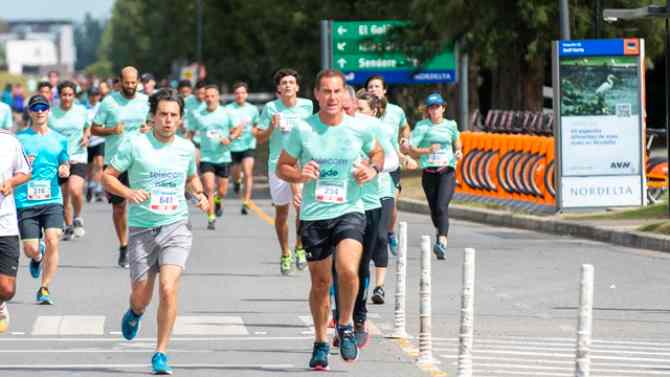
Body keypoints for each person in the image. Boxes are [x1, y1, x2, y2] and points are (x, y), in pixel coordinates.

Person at [277, 69, 384, 369]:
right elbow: (282, 167)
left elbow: (377, 153)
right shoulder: (303, 129)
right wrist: (299, 174)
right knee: (321, 282)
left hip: (349, 209)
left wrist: (372, 170)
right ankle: (320, 342)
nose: (332, 97)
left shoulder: (358, 128)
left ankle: (346, 324)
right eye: (326, 91)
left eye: (337, 92)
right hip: (314, 215)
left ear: (343, 95)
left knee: (348, 268)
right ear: (316, 95)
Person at [102, 88, 208, 375]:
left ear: (181, 119)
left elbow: (191, 179)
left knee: (168, 288)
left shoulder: (186, 148)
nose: (168, 120)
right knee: (141, 295)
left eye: (174, 115)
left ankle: (161, 352)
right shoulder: (135, 145)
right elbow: (107, 176)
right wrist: (128, 191)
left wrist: (199, 194)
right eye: (163, 114)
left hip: (176, 226)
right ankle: (135, 312)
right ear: (153, 116)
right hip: (141, 229)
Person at [331, 87, 398, 348]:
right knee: (339, 266)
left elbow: (391, 159)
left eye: (352, 108)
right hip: (337, 205)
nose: (348, 112)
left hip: (369, 202)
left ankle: (359, 317)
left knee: (360, 266)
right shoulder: (326, 127)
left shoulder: (371, 126)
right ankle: (342, 320)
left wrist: (372, 168)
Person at [91, 66, 150, 268]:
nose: (131, 86)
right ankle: (124, 245)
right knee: (119, 207)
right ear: (120, 81)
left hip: (141, 159)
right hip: (116, 160)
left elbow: (154, 122)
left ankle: (143, 246)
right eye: (127, 82)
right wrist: (112, 130)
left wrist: (149, 128)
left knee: (144, 203)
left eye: (134, 82)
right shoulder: (109, 102)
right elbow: (94, 129)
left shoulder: (145, 101)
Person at [255, 68, 312, 275]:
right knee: (282, 213)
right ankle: (285, 252)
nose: (288, 85)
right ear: (279, 88)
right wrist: (271, 128)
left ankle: (299, 247)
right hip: (277, 165)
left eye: (291, 82)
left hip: (300, 163)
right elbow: (260, 138)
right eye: (284, 83)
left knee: (302, 208)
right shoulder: (271, 108)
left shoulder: (307, 105)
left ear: (297, 87)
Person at [14, 95, 70, 305]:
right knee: (30, 249)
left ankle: (44, 288)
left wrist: (65, 168)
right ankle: (38, 258)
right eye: (35, 108)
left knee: (54, 239)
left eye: (43, 108)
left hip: (52, 198)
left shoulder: (60, 138)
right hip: (25, 200)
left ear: (48, 111)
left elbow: (64, 160)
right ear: (30, 111)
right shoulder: (19, 139)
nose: (39, 111)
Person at [402, 93, 462, 259]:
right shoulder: (422, 126)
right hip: (429, 173)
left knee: (442, 206)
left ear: (443, 108)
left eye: (437, 107)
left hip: (446, 171)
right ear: (427, 110)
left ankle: (442, 241)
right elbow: (411, 149)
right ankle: (440, 231)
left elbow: (457, 139)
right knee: (435, 209)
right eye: (431, 107)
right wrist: (427, 151)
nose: (434, 110)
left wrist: (458, 150)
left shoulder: (451, 125)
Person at [365, 75, 410, 258]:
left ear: (384, 90)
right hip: (371, 164)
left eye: (377, 86)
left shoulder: (396, 111)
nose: (373, 89)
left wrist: (405, 140)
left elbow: (405, 127)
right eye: (370, 87)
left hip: (390, 164)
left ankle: (389, 232)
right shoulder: (364, 111)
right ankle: (375, 236)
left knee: (390, 203)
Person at [190, 85, 239, 230]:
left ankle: (218, 200)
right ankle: (211, 218)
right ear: (204, 98)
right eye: (207, 96)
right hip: (206, 157)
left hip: (223, 157)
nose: (210, 99)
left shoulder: (226, 112)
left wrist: (229, 138)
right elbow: (191, 133)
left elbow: (237, 129)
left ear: (218, 97)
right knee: (209, 188)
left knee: (222, 190)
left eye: (212, 96)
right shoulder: (199, 115)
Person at [48, 81, 90, 240]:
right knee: (64, 195)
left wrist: (86, 136)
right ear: (59, 96)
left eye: (70, 95)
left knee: (75, 190)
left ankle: (78, 217)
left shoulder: (81, 111)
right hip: (59, 159)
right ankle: (69, 226)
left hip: (78, 155)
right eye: (64, 95)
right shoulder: (51, 114)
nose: (67, 98)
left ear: (74, 96)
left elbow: (88, 127)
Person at [0, 129, 31, 332]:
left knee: (7, 289)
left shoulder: (9, 141)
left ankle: (1, 303)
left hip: (5, 222)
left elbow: (25, 172)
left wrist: (11, 182)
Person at [226, 81, 259, 215]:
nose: (240, 95)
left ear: (246, 94)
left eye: (242, 93)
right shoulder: (228, 109)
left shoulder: (253, 109)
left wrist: (254, 131)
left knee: (247, 172)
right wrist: (232, 131)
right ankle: (236, 181)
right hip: (233, 147)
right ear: (234, 95)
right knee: (235, 172)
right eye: (237, 93)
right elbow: (224, 127)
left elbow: (257, 125)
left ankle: (246, 201)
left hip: (248, 145)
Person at [86, 87, 105, 202]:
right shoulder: (84, 109)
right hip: (88, 141)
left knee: (99, 163)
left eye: (96, 95)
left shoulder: (102, 108)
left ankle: (97, 188)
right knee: (89, 167)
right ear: (89, 96)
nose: (94, 97)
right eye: (92, 95)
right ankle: (90, 185)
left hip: (100, 140)